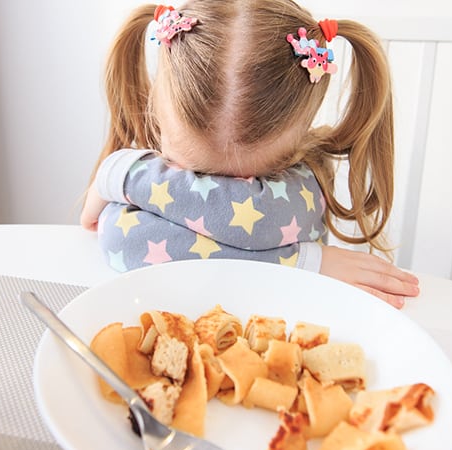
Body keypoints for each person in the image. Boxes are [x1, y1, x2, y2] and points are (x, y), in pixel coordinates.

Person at [80, 0, 419, 308]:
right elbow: (126, 241)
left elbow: (123, 239)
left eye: (247, 183)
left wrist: (123, 174)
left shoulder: (308, 182)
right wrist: (303, 261)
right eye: (197, 176)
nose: (221, 196)